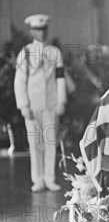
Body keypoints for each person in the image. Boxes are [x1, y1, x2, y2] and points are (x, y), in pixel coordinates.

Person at [14, 14, 67, 192]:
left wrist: (61, 101)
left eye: (44, 29)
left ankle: (50, 179)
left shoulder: (54, 52)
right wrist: (23, 105)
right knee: (35, 143)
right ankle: (37, 179)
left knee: (50, 142)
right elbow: (19, 81)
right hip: (32, 104)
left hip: (50, 104)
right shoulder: (26, 53)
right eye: (37, 29)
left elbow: (60, 79)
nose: (41, 33)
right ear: (32, 31)